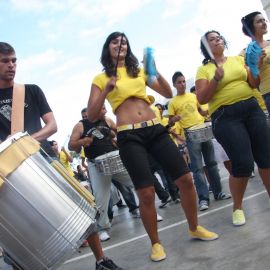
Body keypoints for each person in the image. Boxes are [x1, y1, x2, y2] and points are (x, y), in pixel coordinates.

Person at [87, 31, 218, 262]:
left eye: (125, 41)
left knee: (186, 179)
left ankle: (194, 226)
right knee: (146, 194)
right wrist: (107, 89)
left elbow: (167, 93)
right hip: (129, 135)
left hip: (156, 129)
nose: (121, 45)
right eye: (116, 42)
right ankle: (156, 243)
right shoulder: (101, 78)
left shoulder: (139, 72)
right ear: (107, 48)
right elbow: (92, 113)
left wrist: (155, 70)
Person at [0, 42, 122, 270]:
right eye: (5, 61)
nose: (11, 65)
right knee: (17, 226)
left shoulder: (31, 90)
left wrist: (26, 141)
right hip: (9, 171)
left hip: (43, 158)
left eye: (14, 60)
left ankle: (101, 261)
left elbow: (52, 126)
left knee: (80, 207)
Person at [195, 30, 270, 227]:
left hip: (252, 109)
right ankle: (237, 207)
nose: (217, 40)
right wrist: (215, 80)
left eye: (219, 37)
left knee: (266, 158)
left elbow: (254, 83)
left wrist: (256, 66)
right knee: (243, 163)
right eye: (211, 39)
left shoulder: (237, 60)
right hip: (226, 117)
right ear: (206, 48)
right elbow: (202, 98)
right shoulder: (204, 70)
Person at [68, 104, 136, 242]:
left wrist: (113, 133)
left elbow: (118, 133)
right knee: (100, 198)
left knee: (138, 182)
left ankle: (145, 210)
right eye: (102, 109)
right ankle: (103, 228)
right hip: (96, 164)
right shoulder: (80, 125)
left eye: (105, 109)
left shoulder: (108, 120)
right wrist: (82, 141)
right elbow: (71, 145)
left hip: (115, 159)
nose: (104, 111)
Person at [169, 71, 231, 211]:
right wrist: (174, 119)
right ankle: (203, 198)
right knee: (197, 168)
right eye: (179, 82)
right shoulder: (173, 102)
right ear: (174, 84)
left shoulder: (193, 96)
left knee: (212, 163)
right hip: (191, 135)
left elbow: (202, 111)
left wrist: (211, 110)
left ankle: (218, 192)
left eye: (184, 81)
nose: (182, 84)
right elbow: (170, 122)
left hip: (203, 130)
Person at [241, 11, 270, 113]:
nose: (264, 23)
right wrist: (257, 63)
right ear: (251, 27)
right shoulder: (245, 53)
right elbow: (249, 80)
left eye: (264, 20)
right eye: (259, 21)